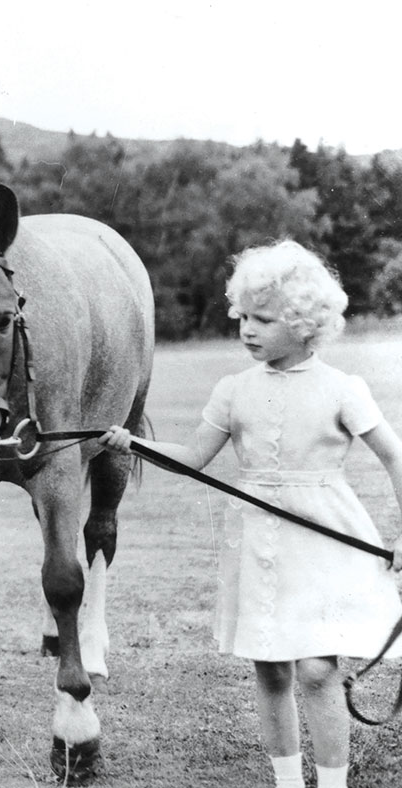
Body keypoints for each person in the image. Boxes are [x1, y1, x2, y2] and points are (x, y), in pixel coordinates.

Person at [100, 240, 402, 788]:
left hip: (325, 538)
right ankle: (288, 781)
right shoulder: (233, 390)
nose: (247, 329)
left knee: (316, 668)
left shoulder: (342, 389)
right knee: (270, 667)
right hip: (258, 541)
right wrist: (131, 444)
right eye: (242, 316)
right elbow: (194, 458)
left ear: (304, 322)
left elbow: (394, 456)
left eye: (263, 319)